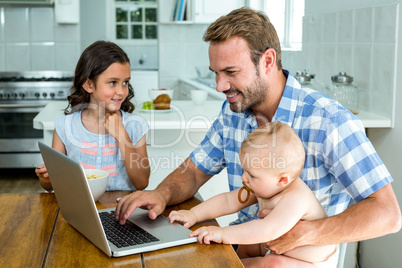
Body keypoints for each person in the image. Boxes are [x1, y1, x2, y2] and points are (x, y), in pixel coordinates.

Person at [115, 7, 401, 267]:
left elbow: (388, 213)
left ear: (267, 60)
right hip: (249, 245)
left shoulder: (328, 120)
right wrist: (160, 194)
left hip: (301, 257)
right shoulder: (233, 111)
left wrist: (305, 233)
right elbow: (193, 171)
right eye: (215, 73)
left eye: (230, 72)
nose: (220, 85)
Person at [169, 122, 338, 267]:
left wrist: (223, 233)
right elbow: (228, 201)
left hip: (314, 261)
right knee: (246, 247)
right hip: (278, 247)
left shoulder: (296, 198)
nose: (244, 177)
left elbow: (268, 229)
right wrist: (193, 214)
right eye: (244, 170)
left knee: (272, 264)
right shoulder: (267, 186)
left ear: (282, 180)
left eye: (251, 174)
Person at [36, 40, 150, 192]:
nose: (122, 91)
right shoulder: (65, 126)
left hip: (121, 210)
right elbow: (51, 184)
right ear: (88, 85)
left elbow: (142, 182)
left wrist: (122, 135)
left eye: (125, 82)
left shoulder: (135, 125)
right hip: (80, 208)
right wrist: (46, 179)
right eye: (113, 82)